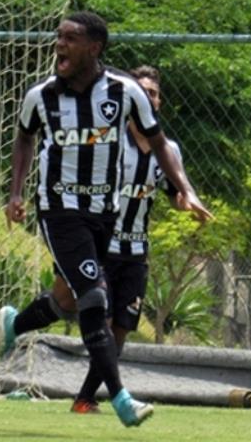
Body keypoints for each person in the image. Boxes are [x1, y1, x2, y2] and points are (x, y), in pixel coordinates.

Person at [0, 12, 213, 427]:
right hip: (58, 209)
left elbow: (160, 143)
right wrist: (16, 191)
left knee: (70, 299)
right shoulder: (41, 96)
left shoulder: (124, 92)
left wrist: (185, 189)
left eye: (70, 38)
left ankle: (14, 325)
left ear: (94, 47)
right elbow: (24, 137)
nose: (60, 45)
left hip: (103, 215)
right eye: (58, 37)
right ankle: (120, 399)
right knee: (92, 297)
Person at [70, 65, 190, 414]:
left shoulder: (169, 150)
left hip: (136, 251)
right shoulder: (109, 140)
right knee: (101, 323)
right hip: (102, 246)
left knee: (122, 330)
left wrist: (183, 203)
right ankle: (97, 397)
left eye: (153, 93)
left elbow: (173, 193)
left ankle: (84, 398)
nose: (148, 98)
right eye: (142, 92)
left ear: (159, 102)